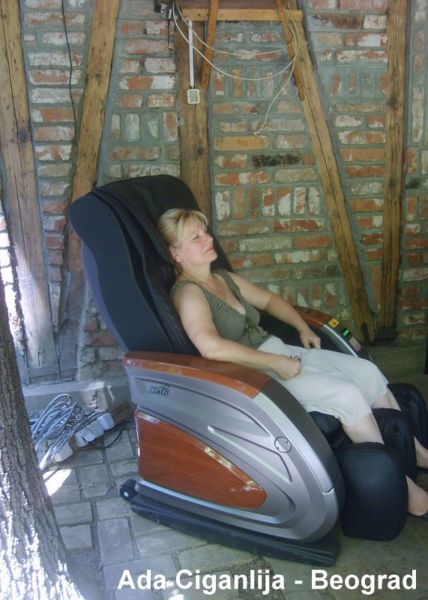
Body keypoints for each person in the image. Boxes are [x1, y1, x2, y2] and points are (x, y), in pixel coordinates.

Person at [157, 207, 428, 519]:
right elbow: (211, 347)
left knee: (367, 372)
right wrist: (275, 362)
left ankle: (417, 453)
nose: (208, 239)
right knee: (347, 395)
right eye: (196, 237)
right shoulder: (189, 294)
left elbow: (270, 301)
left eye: (205, 232)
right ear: (176, 253)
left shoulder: (223, 278)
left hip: (281, 352)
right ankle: (405, 490)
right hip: (255, 376)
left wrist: (302, 328)